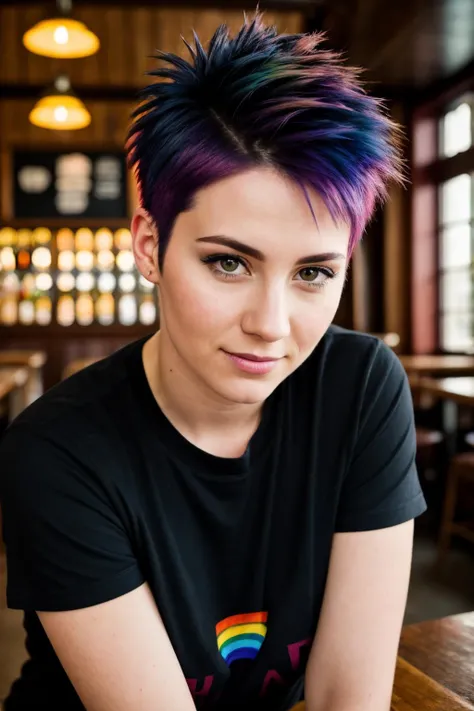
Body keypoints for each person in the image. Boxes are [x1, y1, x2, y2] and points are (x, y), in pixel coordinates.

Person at [0, 13, 427, 711]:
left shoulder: (359, 389)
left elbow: (348, 698)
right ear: (148, 245)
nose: (270, 324)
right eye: (228, 262)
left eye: (314, 273)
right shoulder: (58, 452)